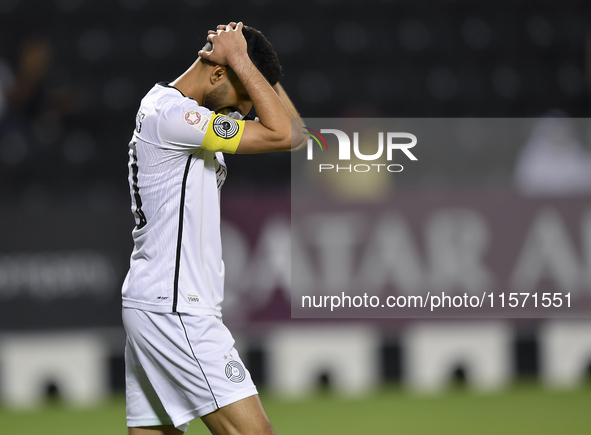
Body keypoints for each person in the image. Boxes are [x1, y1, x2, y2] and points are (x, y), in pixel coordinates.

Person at [121, 22, 303, 435]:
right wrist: (239, 57)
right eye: (243, 96)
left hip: (154, 302)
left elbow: (298, 134)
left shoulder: (172, 110)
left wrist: (252, 66)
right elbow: (284, 134)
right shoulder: (176, 116)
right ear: (219, 73)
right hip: (176, 307)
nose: (245, 110)